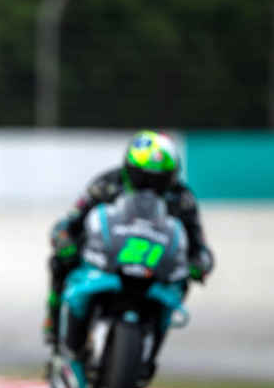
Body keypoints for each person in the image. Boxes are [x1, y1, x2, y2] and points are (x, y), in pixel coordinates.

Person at [44, 131, 214, 355]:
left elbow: (198, 244)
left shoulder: (182, 198)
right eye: (143, 178)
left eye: (159, 179)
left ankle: (152, 342)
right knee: (60, 261)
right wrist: (64, 239)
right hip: (107, 258)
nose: (150, 187)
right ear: (129, 170)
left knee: (182, 280)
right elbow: (70, 220)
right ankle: (54, 323)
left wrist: (200, 263)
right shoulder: (106, 184)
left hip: (154, 267)